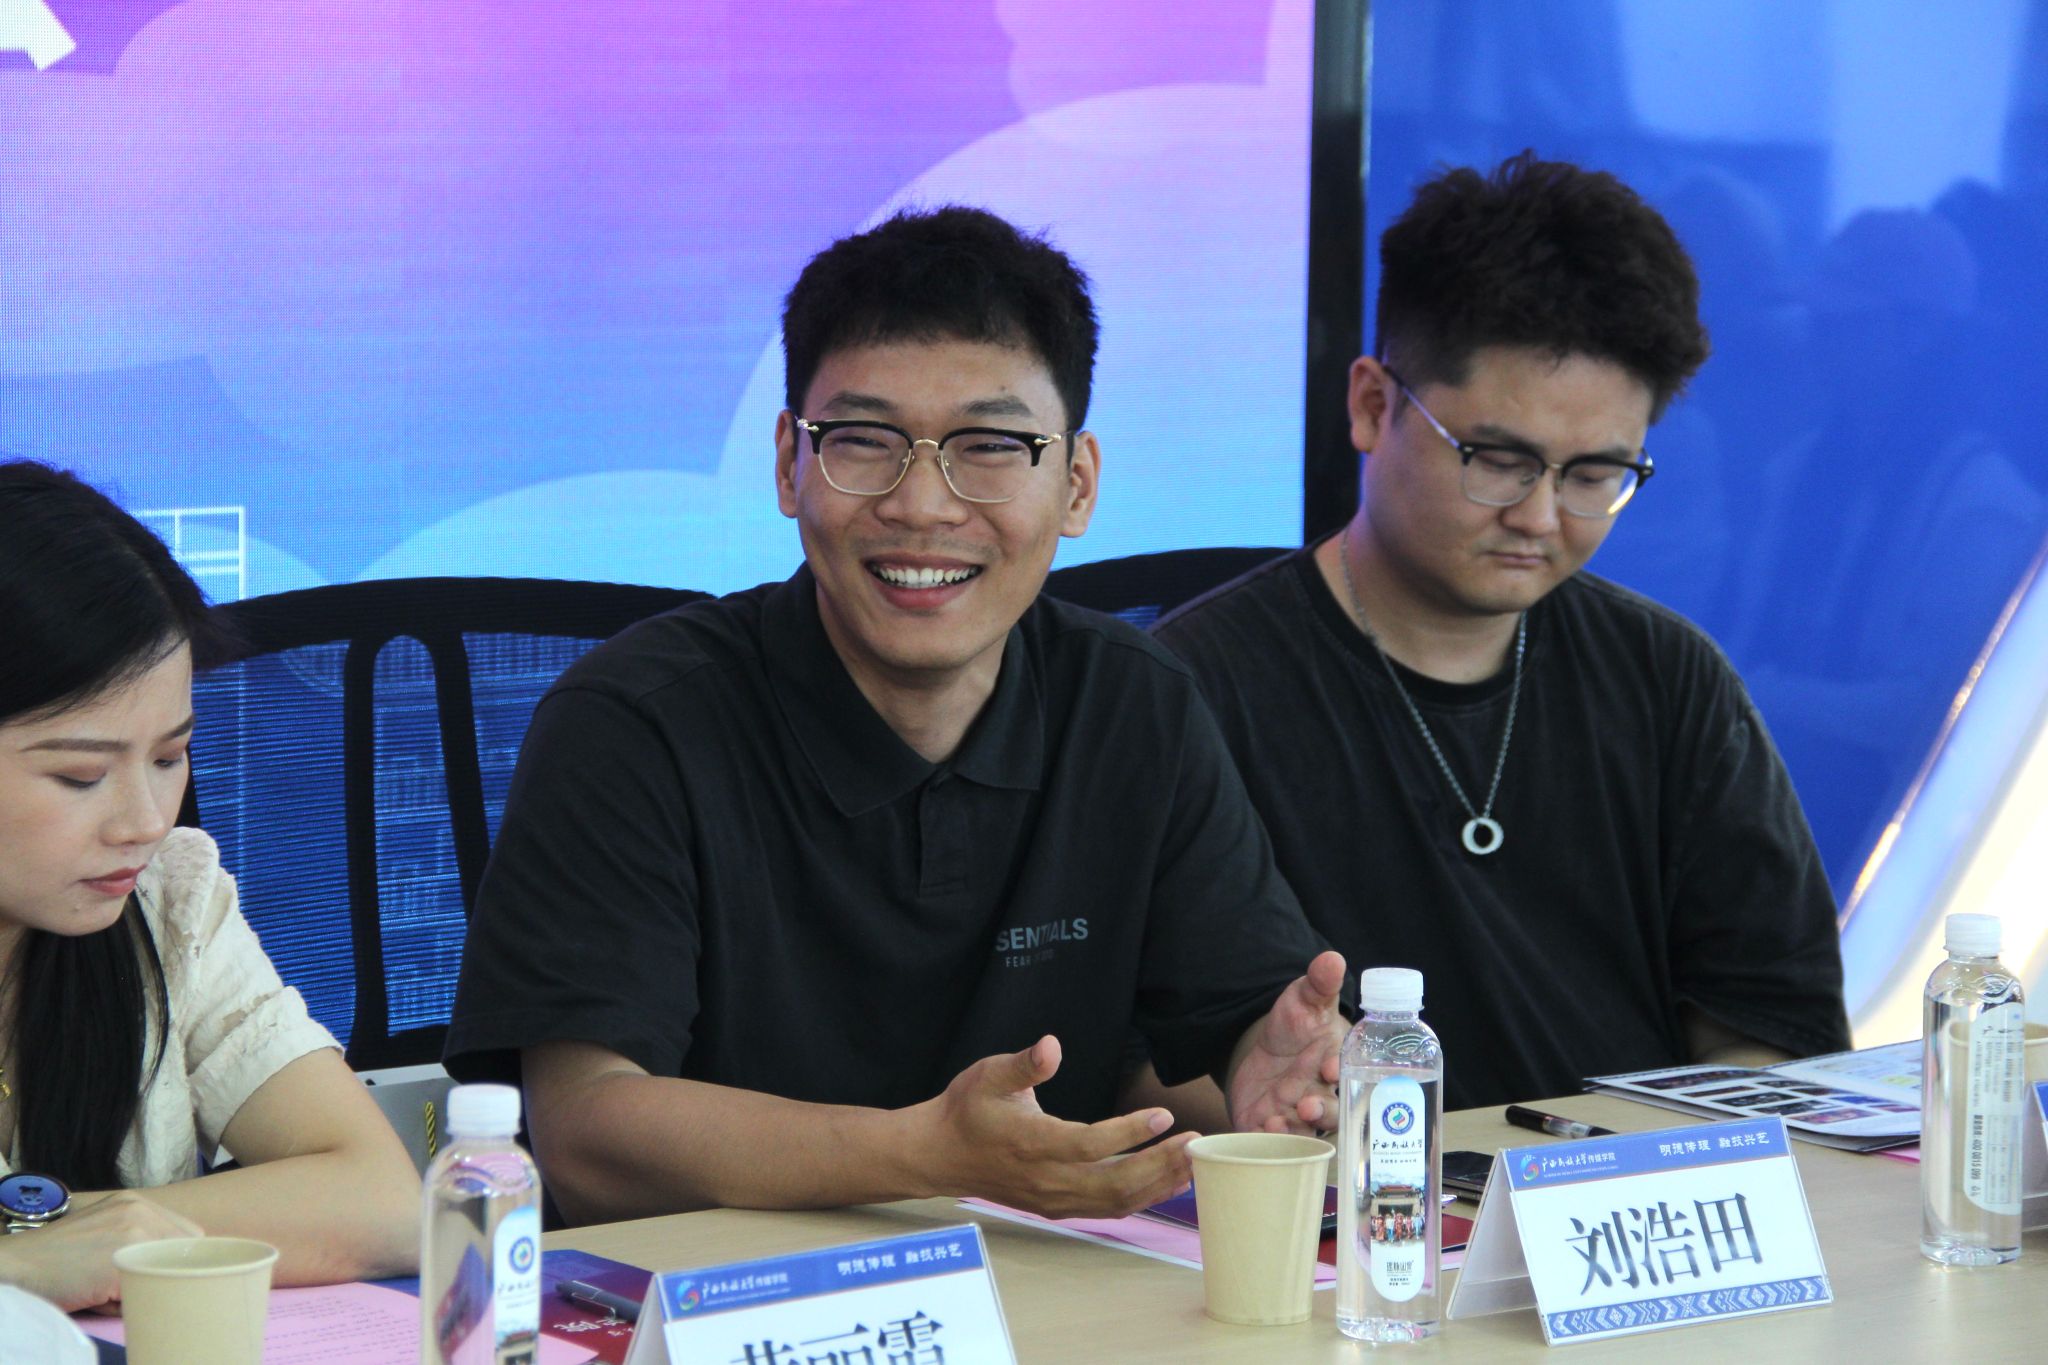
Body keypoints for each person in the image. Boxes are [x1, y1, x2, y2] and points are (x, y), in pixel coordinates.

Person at [445, 206, 1346, 1224]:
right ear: (788, 464)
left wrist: (1261, 1069)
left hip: (1046, 1290)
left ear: (1077, 484)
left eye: (990, 445)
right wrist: (926, 1155)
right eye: (865, 442)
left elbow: (1236, 1022)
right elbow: (587, 1130)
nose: (922, 504)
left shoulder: (1135, 704)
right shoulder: (633, 722)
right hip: (710, 1298)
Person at [1154, 153, 1852, 1110]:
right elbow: (1141, 1069)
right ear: (1372, 406)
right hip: (1349, 1193)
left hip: (1626, 1192)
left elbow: (1772, 1038)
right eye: (1497, 459)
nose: (1540, 515)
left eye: (1594, 474)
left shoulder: (1670, 679)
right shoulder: (1185, 691)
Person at [0, 461, 418, 1313]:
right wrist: (24, 1262)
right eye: (82, 775)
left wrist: (71, 1232)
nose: (146, 820)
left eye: (169, 756)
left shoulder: (167, 899)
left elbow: (386, 1202)